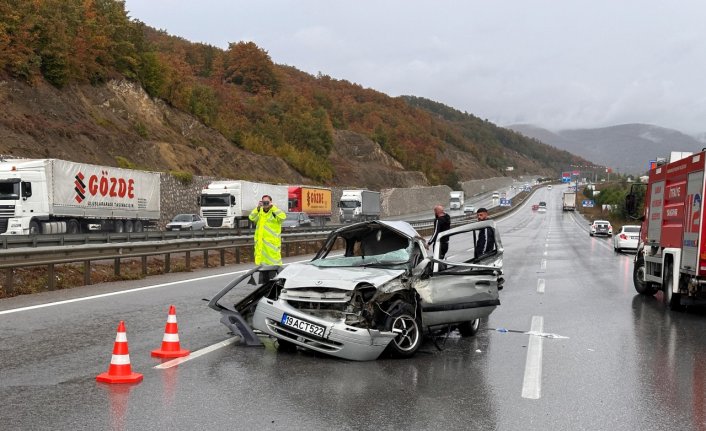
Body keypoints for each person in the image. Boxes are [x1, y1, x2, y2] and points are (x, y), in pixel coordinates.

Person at [249, 195, 287, 265]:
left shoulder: (274, 212)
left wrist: (273, 207)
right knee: (262, 274)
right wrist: (257, 208)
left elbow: (283, 217)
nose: (265, 204)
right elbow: (251, 217)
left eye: (267, 202)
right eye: (264, 202)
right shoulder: (260, 212)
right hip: (261, 251)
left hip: (272, 250)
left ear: (271, 202)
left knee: (272, 274)